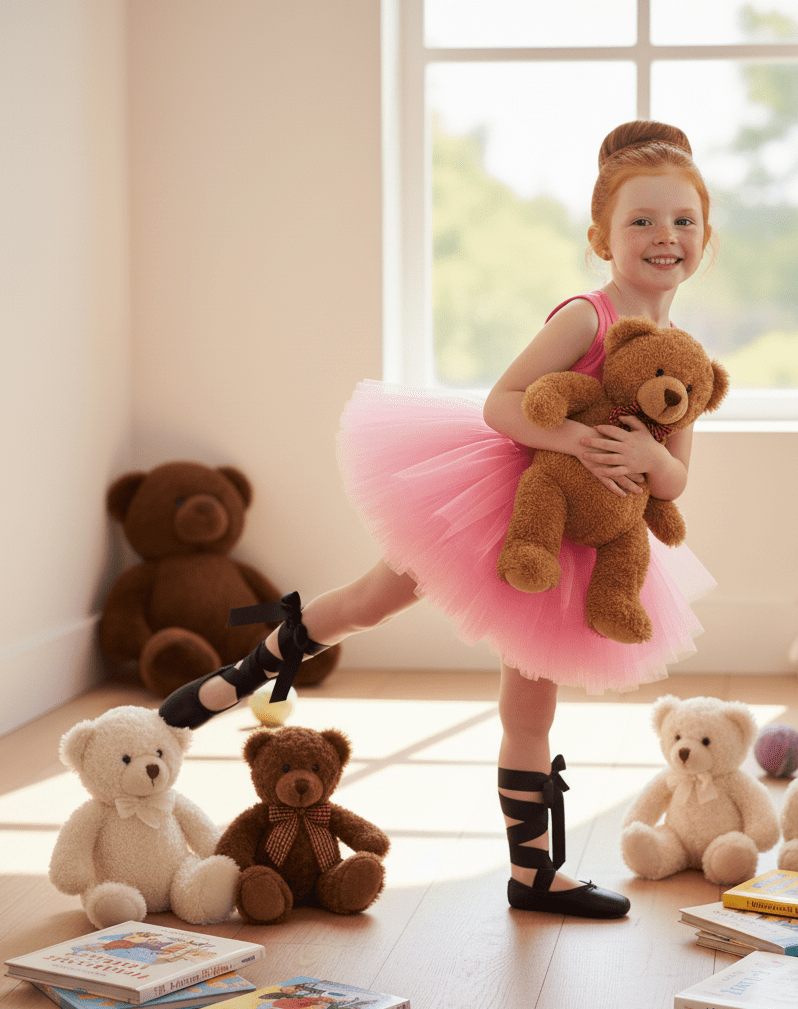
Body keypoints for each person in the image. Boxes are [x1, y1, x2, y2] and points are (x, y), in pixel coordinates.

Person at [160, 120, 719, 920]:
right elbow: (501, 405)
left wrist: (648, 459)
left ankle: (533, 872)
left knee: (530, 705)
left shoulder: (684, 355)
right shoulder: (586, 320)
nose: (664, 237)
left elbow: (676, 477)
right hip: (504, 504)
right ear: (602, 236)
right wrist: (578, 439)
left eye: (682, 222)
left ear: (705, 237)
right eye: (641, 221)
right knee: (368, 602)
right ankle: (240, 676)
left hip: (581, 542)